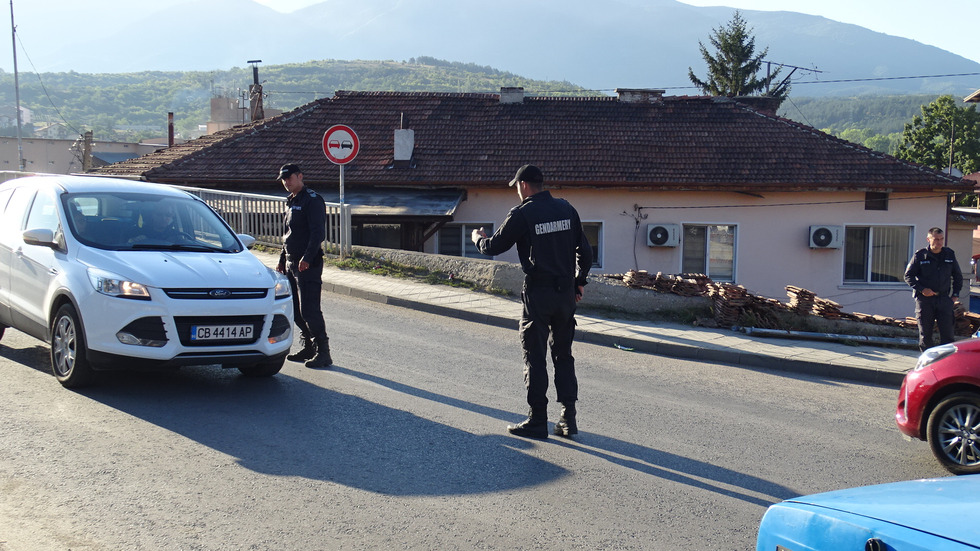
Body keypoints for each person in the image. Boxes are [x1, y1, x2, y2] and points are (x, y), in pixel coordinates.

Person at [471, 164, 592, 439]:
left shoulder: (523, 213)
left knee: (534, 357)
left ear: (524, 185)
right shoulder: (566, 209)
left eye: (516, 185)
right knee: (564, 356)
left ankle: (537, 420)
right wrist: (579, 282)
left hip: (538, 295)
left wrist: (478, 238)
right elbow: (585, 251)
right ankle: (567, 419)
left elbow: (494, 247)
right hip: (564, 295)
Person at [275, 163, 333, 368]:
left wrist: (307, 258)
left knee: (310, 310)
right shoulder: (291, 201)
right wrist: (282, 259)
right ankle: (309, 346)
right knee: (296, 311)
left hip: (308, 264)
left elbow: (317, 233)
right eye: (283, 179)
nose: (286, 182)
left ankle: (323, 352)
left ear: (300, 176)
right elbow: (289, 234)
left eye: (289, 178)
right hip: (291, 262)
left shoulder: (312, 200)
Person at [904, 227, 964, 352]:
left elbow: (958, 276)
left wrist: (955, 295)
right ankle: (928, 365)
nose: (939, 242)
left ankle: (946, 365)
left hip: (943, 299)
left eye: (941, 239)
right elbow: (908, 276)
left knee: (948, 336)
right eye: (936, 239)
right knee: (926, 336)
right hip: (925, 300)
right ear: (928, 239)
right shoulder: (920, 256)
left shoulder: (949, 254)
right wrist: (921, 289)